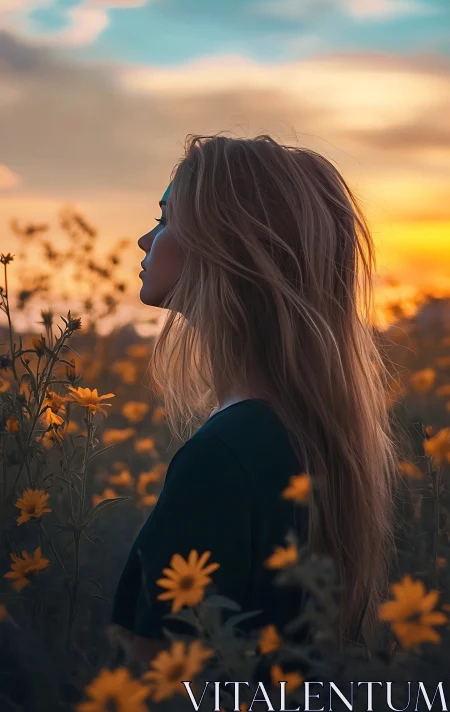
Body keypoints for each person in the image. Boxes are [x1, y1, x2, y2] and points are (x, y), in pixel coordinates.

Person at [111, 133, 400, 663]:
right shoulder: (311, 434)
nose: (144, 241)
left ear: (226, 243)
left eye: (166, 218)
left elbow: (156, 686)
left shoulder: (222, 456)